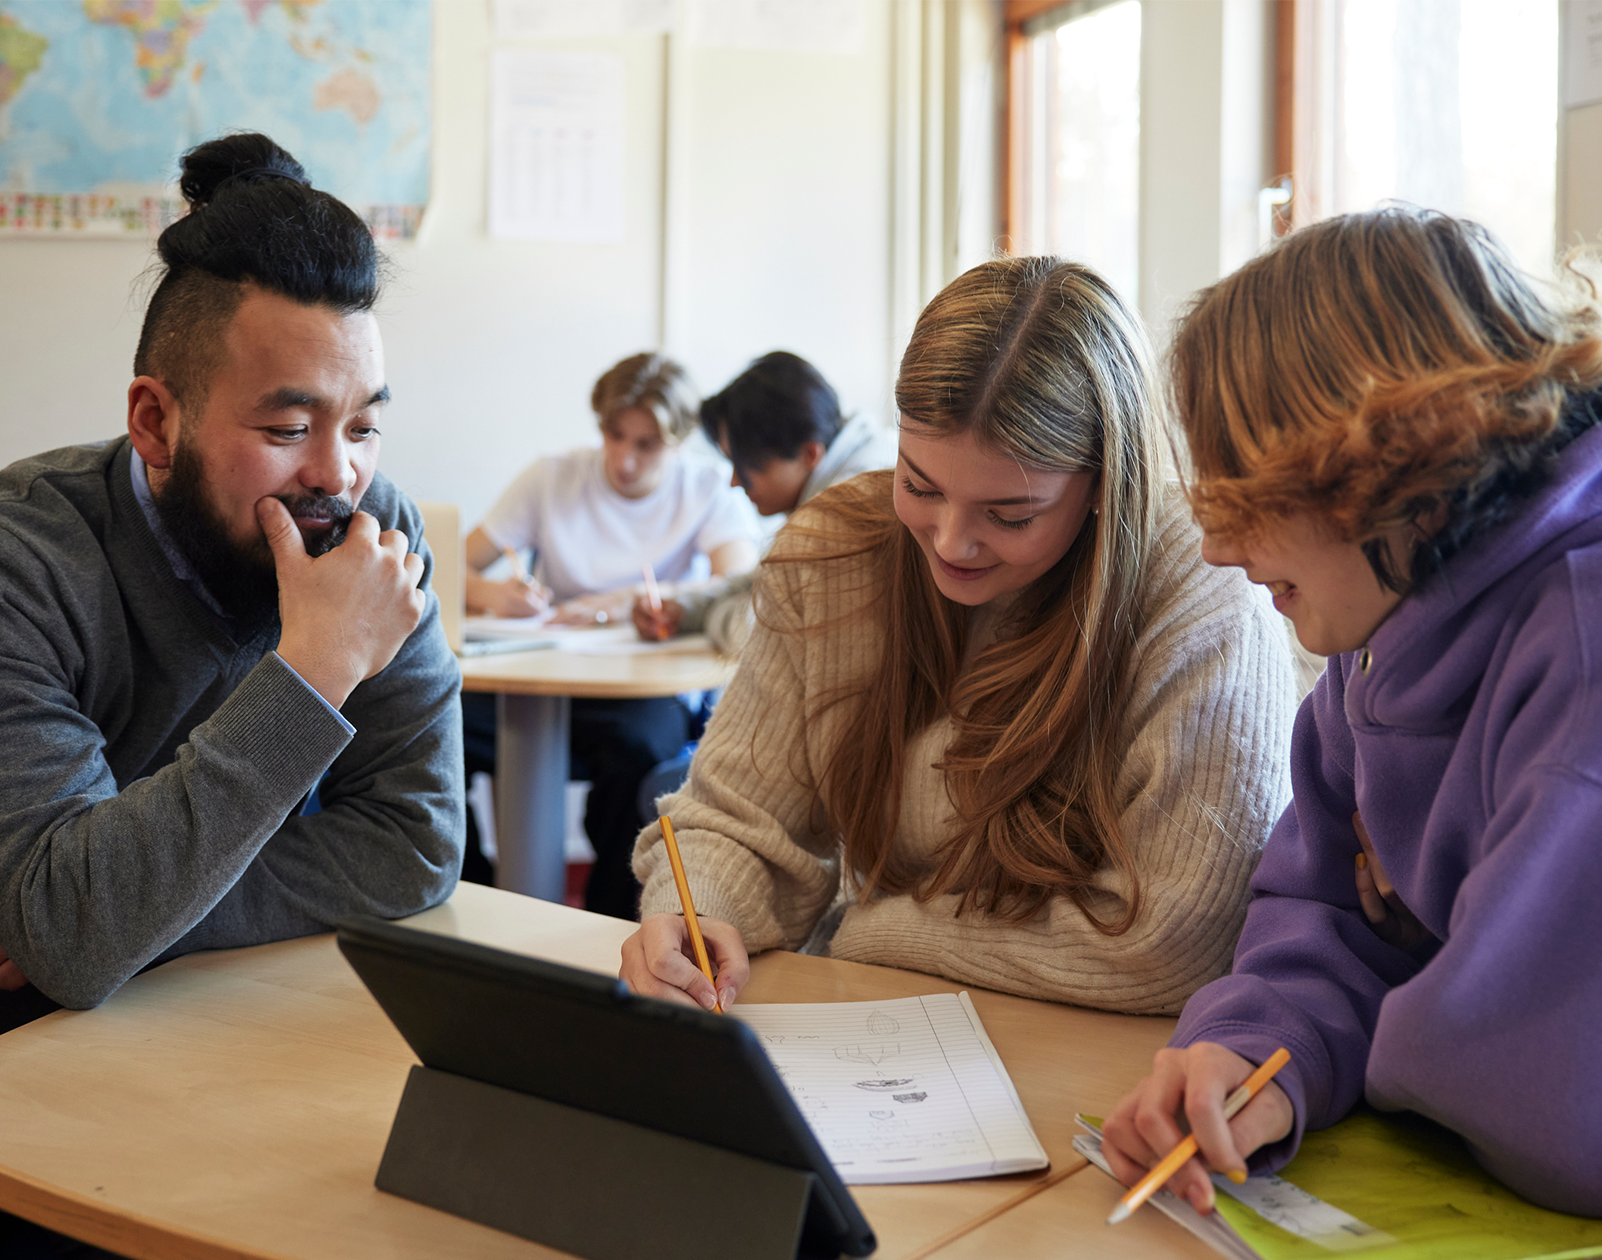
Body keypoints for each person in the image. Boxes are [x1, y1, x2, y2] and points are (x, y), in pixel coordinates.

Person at [618, 257, 1297, 1015]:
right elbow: (734, 821)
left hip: (1105, 1058)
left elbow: (1175, 945)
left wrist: (874, 935)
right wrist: (697, 909)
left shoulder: (1205, 595)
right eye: (919, 484)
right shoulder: (832, 553)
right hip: (888, 1040)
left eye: (1011, 515)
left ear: (1106, 482)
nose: (949, 542)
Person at [0, 133, 464, 1067]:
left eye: (366, 424)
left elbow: (415, 843)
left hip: (234, 1023)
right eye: (290, 427)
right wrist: (318, 667)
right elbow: (74, 938)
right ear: (155, 422)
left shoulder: (373, 533)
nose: (341, 473)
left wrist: (116, 904)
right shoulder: (1, 570)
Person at [1100, 209, 1602, 1217]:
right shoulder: (1381, 623)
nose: (1218, 553)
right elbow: (1326, 922)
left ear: (1389, 469)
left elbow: (1556, 1106)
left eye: (1252, 500)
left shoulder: (1580, 649)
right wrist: (1250, 1060)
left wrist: (1356, 1046)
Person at [460, 354, 758, 917]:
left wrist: (624, 605)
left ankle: (610, 916)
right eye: (614, 435)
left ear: (678, 441)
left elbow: (740, 584)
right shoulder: (553, 477)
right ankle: (469, 889)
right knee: (435, 717)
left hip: (637, 695)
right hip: (538, 682)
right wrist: (495, 595)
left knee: (646, 749)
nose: (624, 459)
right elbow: (451, 566)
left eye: (646, 444)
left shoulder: (707, 485)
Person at [633, 350, 895, 654]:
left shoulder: (846, 508)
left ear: (809, 454)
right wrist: (684, 609)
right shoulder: (853, 465)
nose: (734, 481)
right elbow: (765, 579)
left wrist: (711, 617)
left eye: (746, 466)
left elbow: (762, 635)